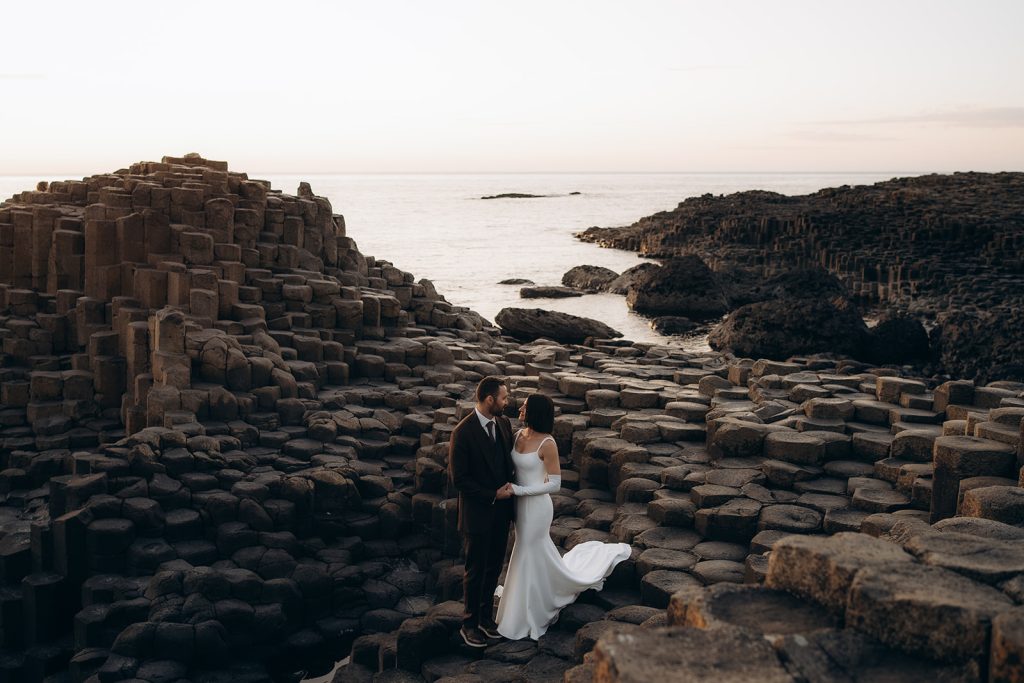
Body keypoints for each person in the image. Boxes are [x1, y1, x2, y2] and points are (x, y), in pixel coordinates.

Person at [495, 393, 631, 641]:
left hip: (536, 508)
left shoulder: (547, 443)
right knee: (525, 550)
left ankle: (529, 609)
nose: (520, 408)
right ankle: (524, 598)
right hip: (518, 506)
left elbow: (555, 484)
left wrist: (518, 490)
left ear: (535, 411)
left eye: (525, 406)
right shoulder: (517, 435)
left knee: (527, 550)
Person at [447, 376, 516, 648]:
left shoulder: (504, 423)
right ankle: (469, 624)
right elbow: (459, 480)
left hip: (502, 513)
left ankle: (486, 618)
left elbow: (508, 464)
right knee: (475, 570)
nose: (506, 402)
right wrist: (492, 494)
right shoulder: (462, 432)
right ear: (490, 399)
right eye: (503, 398)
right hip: (477, 513)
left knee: (494, 567)